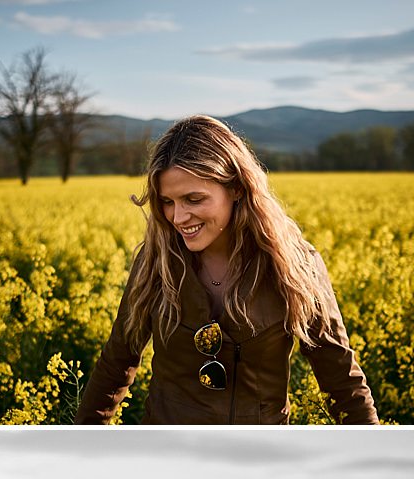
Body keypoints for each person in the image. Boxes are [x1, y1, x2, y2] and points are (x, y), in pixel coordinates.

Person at [76, 115, 378, 424]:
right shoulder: (157, 262)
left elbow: (341, 378)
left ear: (235, 188)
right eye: (167, 201)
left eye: (194, 199)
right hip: (170, 454)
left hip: (258, 459)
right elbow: (116, 363)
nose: (178, 217)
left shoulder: (294, 264)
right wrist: (78, 452)